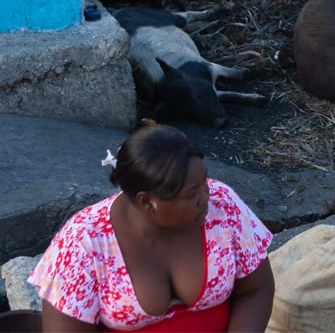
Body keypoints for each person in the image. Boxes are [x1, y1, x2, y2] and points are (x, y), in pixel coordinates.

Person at [28, 123, 275, 332]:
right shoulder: (83, 242)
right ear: (147, 202)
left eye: (204, 182)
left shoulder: (223, 204)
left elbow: (256, 289)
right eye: (191, 194)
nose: (206, 196)